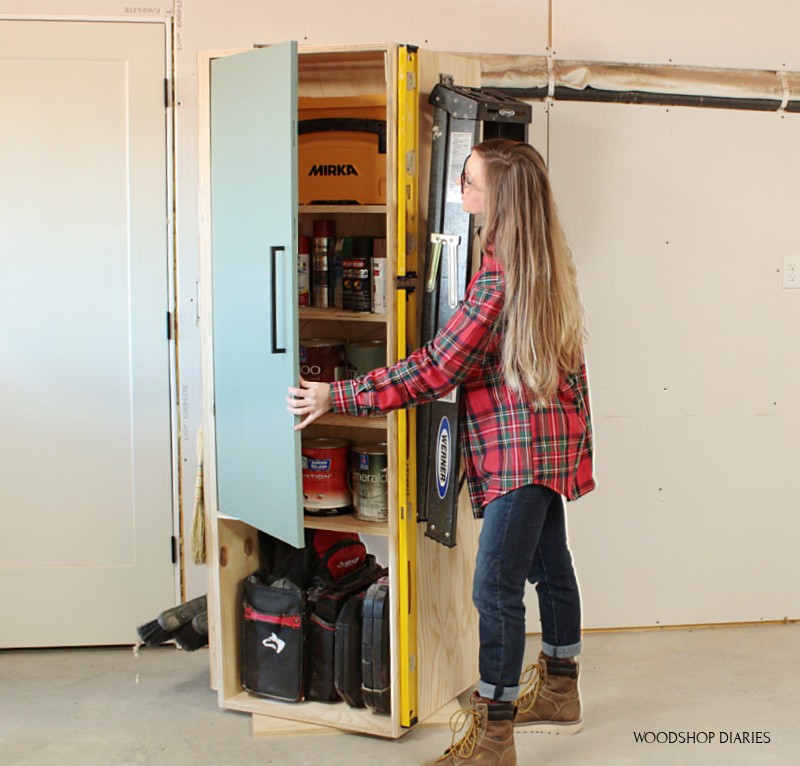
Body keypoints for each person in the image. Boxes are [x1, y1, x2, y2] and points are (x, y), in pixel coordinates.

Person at [287, 138, 595, 766]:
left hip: (518, 447)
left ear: (499, 196)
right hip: (549, 435)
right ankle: (561, 689)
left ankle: (494, 734)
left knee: (496, 588)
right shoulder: (542, 259)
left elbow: (435, 369)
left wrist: (336, 393)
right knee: (550, 564)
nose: (461, 192)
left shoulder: (499, 278)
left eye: (469, 182)